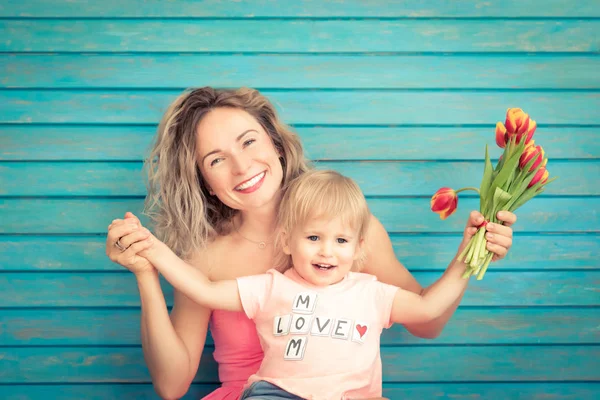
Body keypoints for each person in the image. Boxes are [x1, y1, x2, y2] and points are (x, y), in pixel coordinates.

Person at [106, 87, 517, 400]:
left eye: (249, 141)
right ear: (204, 182)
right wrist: (146, 272)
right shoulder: (204, 257)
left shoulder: (350, 231)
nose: (242, 165)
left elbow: (428, 321)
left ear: (276, 144)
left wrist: (471, 255)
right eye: (216, 159)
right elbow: (172, 384)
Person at [121, 169, 476, 399]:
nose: (327, 251)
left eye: (341, 241)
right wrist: (152, 250)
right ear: (287, 242)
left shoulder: (372, 292)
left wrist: (467, 253)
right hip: (278, 394)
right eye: (313, 237)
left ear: (358, 249)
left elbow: (429, 308)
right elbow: (204, 290)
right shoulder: (272, 287)